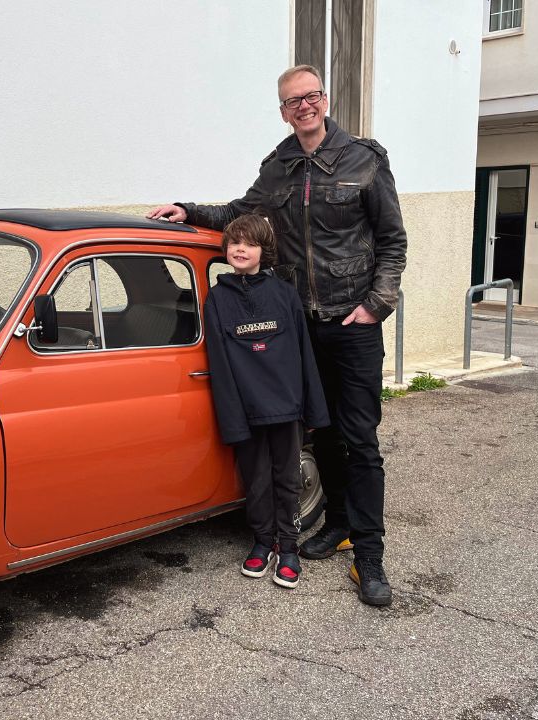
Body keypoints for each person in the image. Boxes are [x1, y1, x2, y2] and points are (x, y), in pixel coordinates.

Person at [148, 64, 407, 606]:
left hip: (352, 322)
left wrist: (376, 305)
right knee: (323, 428)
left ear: (325, 100)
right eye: (293, 102)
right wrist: (188, 209)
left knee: (359, 438)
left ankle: (369, 554)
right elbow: (240, 213)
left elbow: (391, 239)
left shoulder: (365, 158)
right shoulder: (281, 165)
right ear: (283, 111)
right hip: (302, 325)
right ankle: (337, 523)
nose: (303, 107)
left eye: (310, 97)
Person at [204, 214, 329, 589]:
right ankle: (262, 541)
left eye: (250, 243)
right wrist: (232, 416)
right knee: (256, 480)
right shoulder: (217, 298)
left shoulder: (284, 295)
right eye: (234, 242)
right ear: (226, 250)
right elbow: (219, 363)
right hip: (247, 407)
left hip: (287, 405)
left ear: (264, 251)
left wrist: (311, 408)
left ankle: (288, 547)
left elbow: (303, 352)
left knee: (287, 478)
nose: (240, 249)